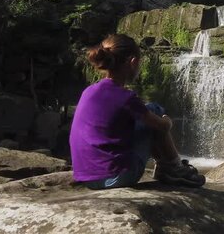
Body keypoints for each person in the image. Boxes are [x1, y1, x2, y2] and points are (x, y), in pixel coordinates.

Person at [69, 34, 205, 189]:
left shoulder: (89, 91)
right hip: (117, 177)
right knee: (154, 109)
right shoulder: (126, 97)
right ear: (132, 62)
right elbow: (162, 127)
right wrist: (168, 120)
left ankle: (169, 168)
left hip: (86, 177)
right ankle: (174, 168)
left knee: (145, 115)